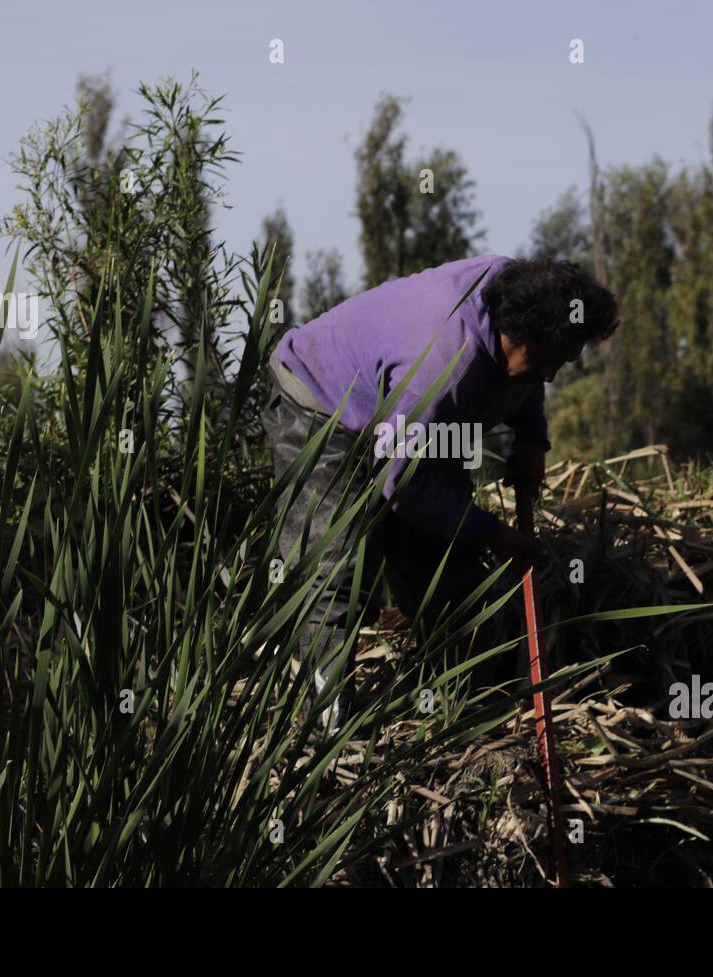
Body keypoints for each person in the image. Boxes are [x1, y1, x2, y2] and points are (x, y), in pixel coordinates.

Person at [262, 254, 618, 735]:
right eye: (541, 360)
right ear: (511, 334)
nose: (551, 376)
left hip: (412, 414)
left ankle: (471, 693)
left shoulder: (522, 295)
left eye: (564, 361)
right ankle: (331, 723)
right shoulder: (444, 365)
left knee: (445, 553)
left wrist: (532, 435)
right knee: (331, 566)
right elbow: (402, 485)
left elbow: (531, 373)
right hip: (324, 401)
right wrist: (495, 533)